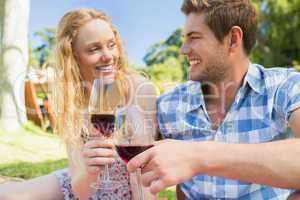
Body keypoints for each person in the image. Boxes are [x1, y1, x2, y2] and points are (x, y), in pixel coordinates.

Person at [127, 0, 300, 199]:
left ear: (233, 40)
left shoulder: (284, 86)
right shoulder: (169, 106)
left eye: (194, 38)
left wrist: (197, 157)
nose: (183, 49)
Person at [0, 8, 157, 200]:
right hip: (82, 185)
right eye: (94, 49)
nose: (108, 56)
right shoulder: (70, 99)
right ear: (74, 55)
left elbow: (144, 172)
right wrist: (88, 168)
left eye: (111, 45)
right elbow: (81, 191)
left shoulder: (139, 89)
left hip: (129, 189)